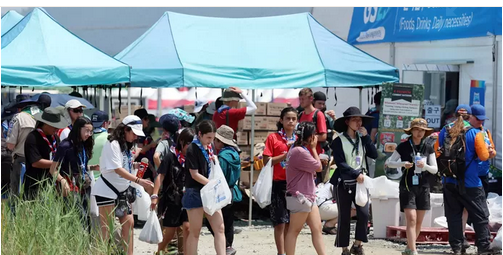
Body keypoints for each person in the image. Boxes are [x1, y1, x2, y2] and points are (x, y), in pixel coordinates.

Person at [436, 104, 496, 255]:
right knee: (481, 215)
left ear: (455, 115)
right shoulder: (476, 133)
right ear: (469, 116)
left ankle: (457, 247)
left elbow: (437, 153)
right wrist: (487, 152)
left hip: (449, 180)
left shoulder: (445, 130)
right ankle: (483, 247)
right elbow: (483, 156)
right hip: (471, 182)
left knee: (453, 215)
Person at [91, 115, 154, 255]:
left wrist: (135, 165)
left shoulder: (128, 145)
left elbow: (124, 165)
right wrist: (139, 181)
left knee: (129, 224)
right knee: (105, 229)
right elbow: (117, 169)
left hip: (123, 190)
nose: (136, 137)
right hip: (107, 190)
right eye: (134, 133)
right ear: (125, 129)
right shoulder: (113, 143)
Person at [386, 118, 438, 255]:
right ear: (411, 131)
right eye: (417, 129)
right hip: (407, 185)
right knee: (411, 218)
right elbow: (390, 163)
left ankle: (409, 247)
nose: (419, 133)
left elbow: (434, 169)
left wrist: (424, 166)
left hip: (424, 185)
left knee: (419, 221)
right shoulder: (403, 146)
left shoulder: (428, 147)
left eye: (422, 130)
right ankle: (414, 250)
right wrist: (402, 164)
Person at [329, 107, 377, 255]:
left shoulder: (363, 140)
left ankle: (358, 244)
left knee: (364, 214)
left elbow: (374, 154)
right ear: (347, 122)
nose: (358, 122)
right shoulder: (338, 141)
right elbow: (340, 163)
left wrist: (367, 137)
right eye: (355, 119)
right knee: (344, 216)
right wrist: (354, 173)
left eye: (360, 120)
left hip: (361, 182)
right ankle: (344, 248)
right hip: (343, 181)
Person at [182, 120, 226, 255]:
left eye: (213, 138)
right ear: (199, 134)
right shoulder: (192, 149)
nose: (210, 141)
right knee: (195, 232)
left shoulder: (209, 147)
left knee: (220, 228)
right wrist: (212, 185)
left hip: (210, 191)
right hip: (195, 192)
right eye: (208, 137)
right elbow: (194, 174)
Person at [49, 117, 100, 229]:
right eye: (86, 130)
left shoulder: (84, 145)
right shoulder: (65, 146)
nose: (89, 134)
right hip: (70, 185)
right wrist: (62, 181)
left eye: (91, 131)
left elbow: (78, 165)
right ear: (78, 129)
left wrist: (92, 167)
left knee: (86, 218)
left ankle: (86, 244)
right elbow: (53, 169)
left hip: (84, 186)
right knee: (77, 217)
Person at [283, 121, 326, 255]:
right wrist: (314, 149)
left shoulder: (296, 149)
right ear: (309, 137)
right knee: (294, 231)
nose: (315, 137)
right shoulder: (299, 151)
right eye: (313, 134)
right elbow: (319, 167)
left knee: (317, 228)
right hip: (300, 196)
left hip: (308, 196)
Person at [151, 128, 194, 255]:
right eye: (189, 144)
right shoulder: (171, 156)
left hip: (188, 197)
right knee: (169, 233)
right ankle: (159, 251)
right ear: (182, 142)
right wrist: (154, 195)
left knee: (187, 228)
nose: (191, 147)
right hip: (172, 198)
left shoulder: (192, 157)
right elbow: (160, 175)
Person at [263, 107, 298, 255]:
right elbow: (266, 161)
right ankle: (280, 252)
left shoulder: (299, 139)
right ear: (281, 120)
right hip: (278, 184)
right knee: (279, 222)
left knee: (291, 223)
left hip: (295, 185)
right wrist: (285, 155)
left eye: (293, 119)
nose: (290, 121)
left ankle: (289, 251)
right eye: (287, 118)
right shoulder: (273, 138)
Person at [206, 125, 242, 255]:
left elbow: (220, 176)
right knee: (229, 220)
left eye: (215, 140)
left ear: (220, 142)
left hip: (222, 192)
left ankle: (225, 246)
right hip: (232, 191)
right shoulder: (235, 154)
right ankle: (229, 246)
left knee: (214, 222)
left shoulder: (222, 157)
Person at [7, 93, 52, 196]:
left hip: (21, 160)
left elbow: (10, 145)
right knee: (36, 194)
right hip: (42, 162)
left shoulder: (18, 117)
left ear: (19, 107)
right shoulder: (44, 117)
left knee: (16, 194)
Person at [23, 107, 68, 199]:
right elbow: (36, 162)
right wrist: (57, 163)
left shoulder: (55, 137)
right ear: (46, 123)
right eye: (55, 126)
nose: (57, 129)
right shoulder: (33, 138)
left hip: (52, 184)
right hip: (35, 184)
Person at [297, 88, 327, 184]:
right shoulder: (300, 115)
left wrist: (308, 138)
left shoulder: (318, 114)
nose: (301, 101)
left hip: (315, 157)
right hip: (303, 157)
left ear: (311, 99)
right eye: (300, 99)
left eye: (303, 99)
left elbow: (323, 136)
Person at [312, 91, 335, 182]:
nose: (321, 106)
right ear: (313, 102)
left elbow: (337, 128)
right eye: (319, 103)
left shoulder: (327, 116)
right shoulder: (308, 115)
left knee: (323, 179)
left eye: (323, 104)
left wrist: (334, 118)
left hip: (324, 152)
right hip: (310, 152)